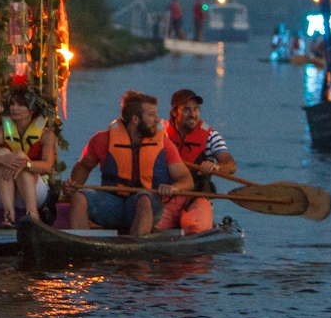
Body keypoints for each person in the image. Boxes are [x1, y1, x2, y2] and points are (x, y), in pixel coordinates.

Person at [61, 90, 194, 237]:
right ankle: (83, 242)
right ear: (135, 119)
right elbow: (83, 167)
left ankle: (135, 246)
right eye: (152, 115)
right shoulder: (101, 140)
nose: (157, 120)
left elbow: (186, 180)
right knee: (79, 197)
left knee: (144, 199)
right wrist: (72, 186)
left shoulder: (164, 144)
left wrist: (173, 188)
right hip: (110, 204)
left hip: (146, 204)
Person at [158, 89, 236, 234]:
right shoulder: (160, 132)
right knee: (152, 226)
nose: (193, 114)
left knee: (194, 227)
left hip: (197, 197)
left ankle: (196, 229)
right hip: (168, 197)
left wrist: (216, 167)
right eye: (187, 110)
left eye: (196, 109)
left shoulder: (210, 136)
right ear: (174, 112)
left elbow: (230, 165)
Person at [0, 87, 57, 226]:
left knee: (20, 157)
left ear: (32, 110)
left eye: (21, 105)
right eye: (12, 104)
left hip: (35, 191)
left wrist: (26, 164)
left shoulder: (46, 134)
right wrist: (1, 160)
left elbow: (48, 166)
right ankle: (9, 216)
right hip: (2, 192)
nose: (15, 108)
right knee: (3, 153)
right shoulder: (0, 132)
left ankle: (33, 215)